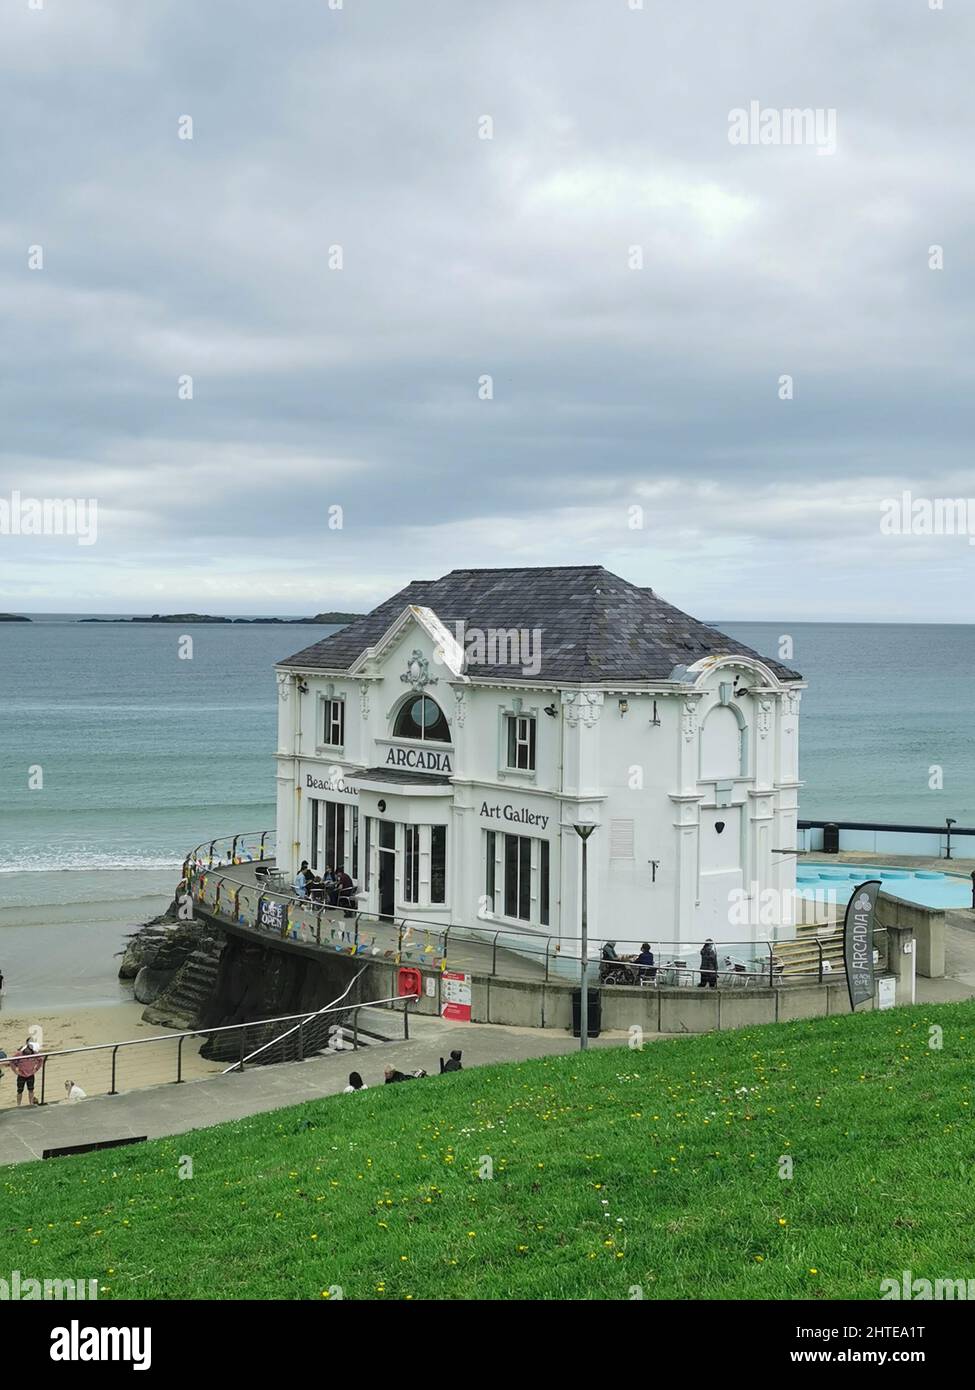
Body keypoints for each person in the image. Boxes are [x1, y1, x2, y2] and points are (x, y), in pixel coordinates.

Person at [10, 1038, 44, 1106]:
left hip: (31, 1075)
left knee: (31, 1089)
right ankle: (18, 1105)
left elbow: (40, 1060)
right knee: (19, 1090)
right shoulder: (19, 1054)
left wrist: (36, 1069)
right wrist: (15, 1071)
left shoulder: (35, 1053)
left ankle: (31, 1103)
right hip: (21, 1075)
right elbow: (11, 1061)